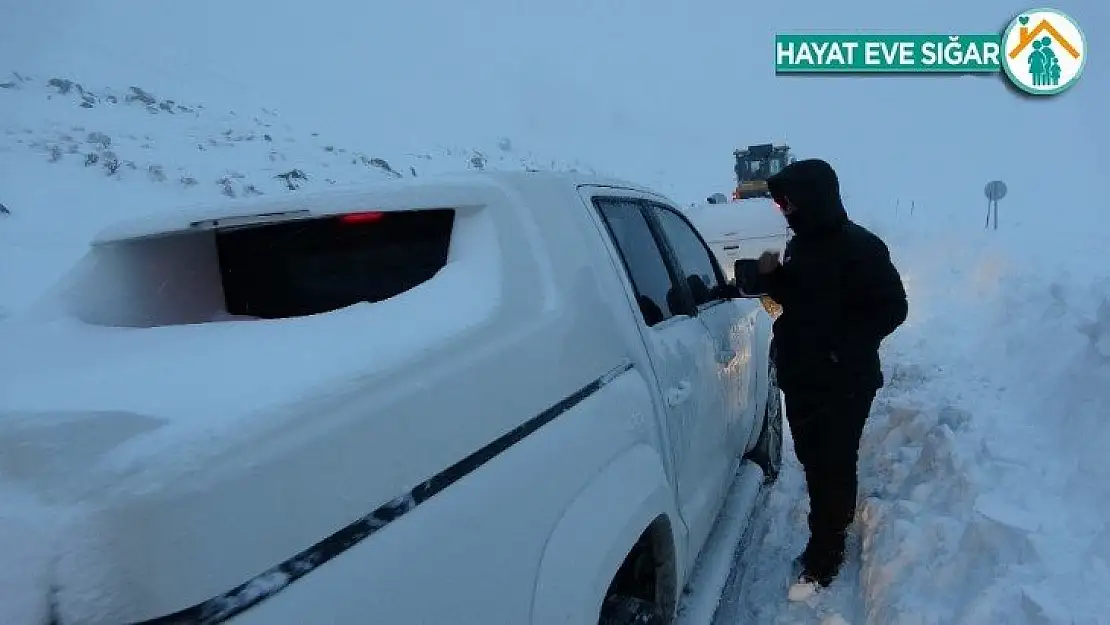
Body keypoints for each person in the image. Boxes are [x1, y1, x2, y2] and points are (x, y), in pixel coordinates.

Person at [752, 158, 907, 595]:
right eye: (783, 205)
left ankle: (827, 551)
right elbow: (799, 298)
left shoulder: (862, 247)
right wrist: (773, 277)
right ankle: (831, 524)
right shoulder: (802, 246)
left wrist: (840, 350)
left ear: (815, 200)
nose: (785, 212)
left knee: (832, 466)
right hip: (803, 376)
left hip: (844, 382)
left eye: (790, 203)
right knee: (814, 460)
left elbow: (893, 308)